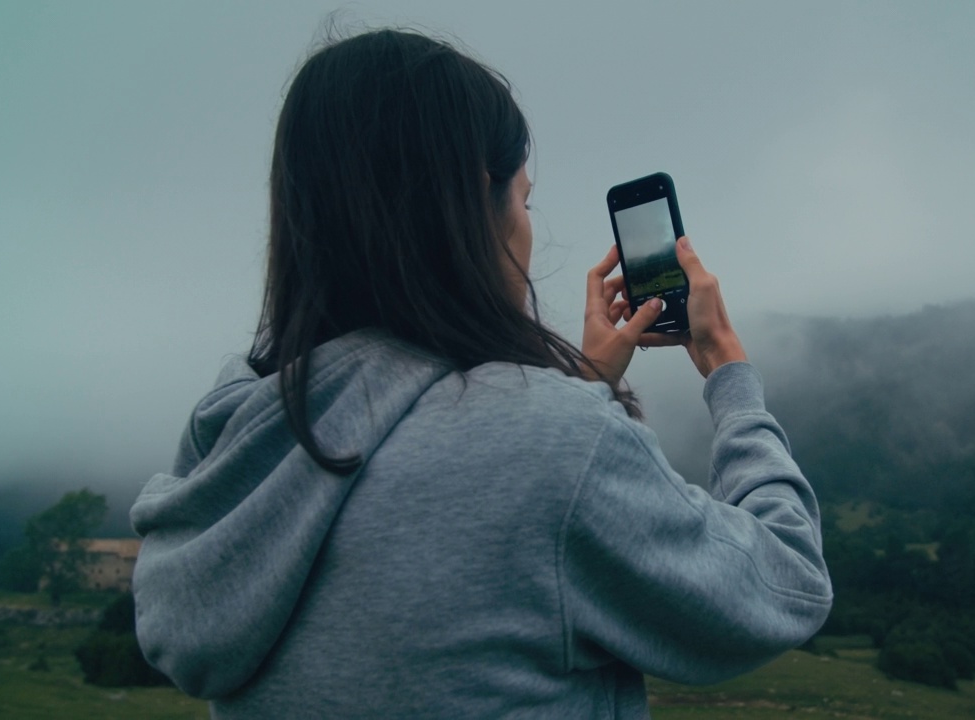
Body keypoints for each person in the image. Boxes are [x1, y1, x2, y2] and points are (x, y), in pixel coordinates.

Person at [130, 28, 831, 719]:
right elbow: (785, 585)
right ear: (474, 200)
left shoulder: (232, 441)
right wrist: (728, 371)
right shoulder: (554, 444)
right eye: (523, 199)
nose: (527, 227)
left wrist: (582, 383)